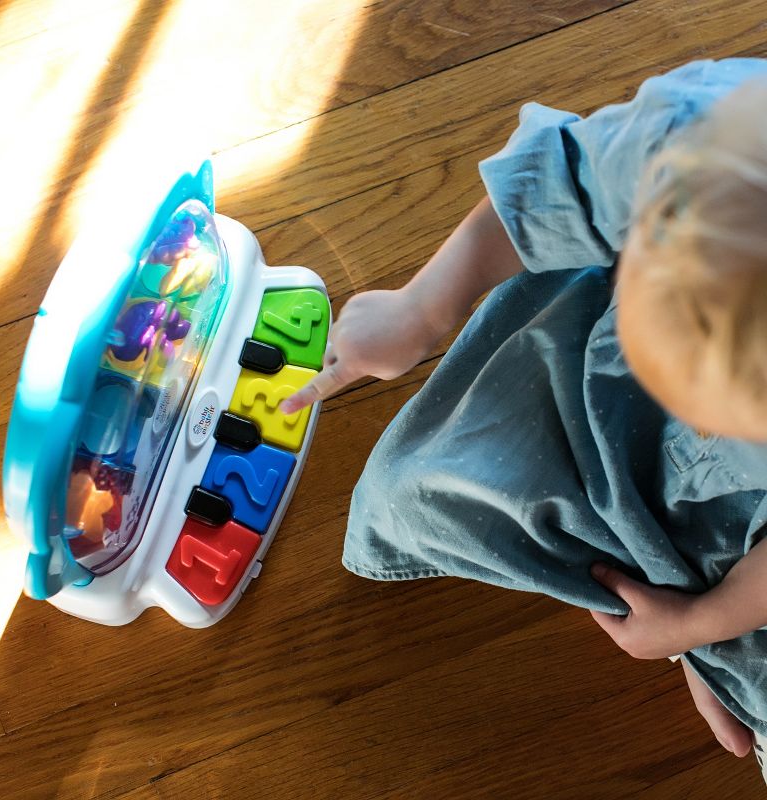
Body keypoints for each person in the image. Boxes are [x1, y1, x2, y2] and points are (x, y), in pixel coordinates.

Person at [280, 58, 767, 777]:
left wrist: (700, 624)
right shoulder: (697, 135)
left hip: (744, 529)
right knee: (426, 481)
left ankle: (701, 634)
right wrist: (422, 308)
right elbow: (550, 185)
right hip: (595, 377)